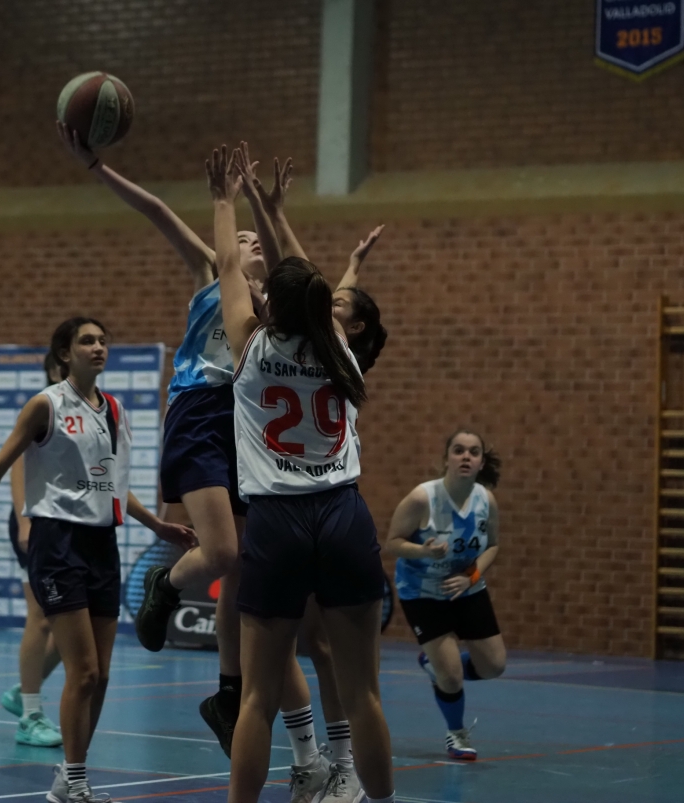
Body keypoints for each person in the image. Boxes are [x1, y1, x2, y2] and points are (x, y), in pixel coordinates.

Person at [55, 122, 281, 751]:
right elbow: (155, 209)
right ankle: (165, 583)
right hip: (198, 411)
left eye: (255, 238)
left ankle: (229, 690)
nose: (246, 241)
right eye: (239, 235)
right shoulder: (212, 269)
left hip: (246, 424)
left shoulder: (273, 305)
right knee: (224, 553)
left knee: (242, 566)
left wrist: (269, 210)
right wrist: (95, 166)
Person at [0, 317, 195, 803]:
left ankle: (70, 776)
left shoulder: (115, 410)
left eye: (103, 341)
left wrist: (157, 526)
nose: (98, 347)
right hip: (57, 543)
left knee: (102, 674)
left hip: (102, 545)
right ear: (64, 353)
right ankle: (72, 781)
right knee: (84, 670)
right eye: (87, 341)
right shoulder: (46, 405)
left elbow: (113, 486)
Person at [208, 145, 396, 803]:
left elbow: (227, 264)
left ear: (270, 304)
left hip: (278, 519)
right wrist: (276, 210)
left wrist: (224, 200)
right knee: (364, 692)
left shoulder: (250, 345)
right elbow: (309, 276)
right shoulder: (340, 346)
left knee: (257, 698)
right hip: (343, 514)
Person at [386, 428, 506, 761]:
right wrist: (423, 552)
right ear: (447, 459)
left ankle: (435, 665)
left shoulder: (486, 500)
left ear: (481, 463)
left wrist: (471, 577)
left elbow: (493, 545)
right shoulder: (422, 498)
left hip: (467, 588)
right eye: (458, 450)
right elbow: (392, 542)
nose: (466, 456)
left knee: (494, 666)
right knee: (451, 677)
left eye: (473, 452)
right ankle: (457, 734)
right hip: (423, 592)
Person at [0, 351, 65, 747]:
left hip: (71, 526)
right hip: (36, 522)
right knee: (40, 617)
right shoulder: (43, 406)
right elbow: (18, 465)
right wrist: (25, 522)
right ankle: (30, 714)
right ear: (57, 367)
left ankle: (24, 689)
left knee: (77, 623)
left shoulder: (94, 409)